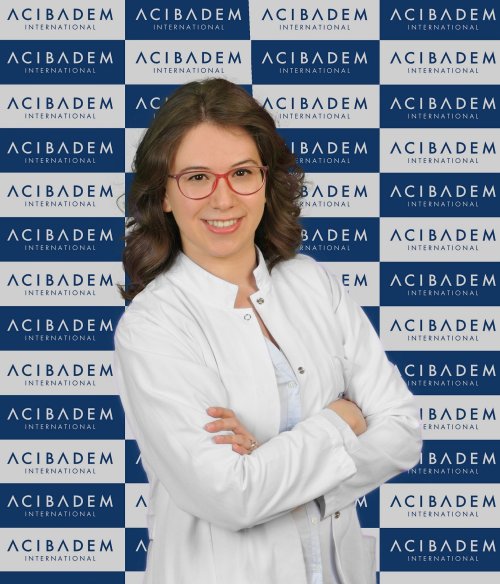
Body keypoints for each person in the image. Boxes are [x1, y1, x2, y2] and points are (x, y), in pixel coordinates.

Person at [114, 78, 422, 584]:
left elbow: (402, 430)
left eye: (242, 173)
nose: (223, 198)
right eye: (196, 177)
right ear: (163, 194)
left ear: (266, 180)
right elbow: (230, 495)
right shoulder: (152, 325)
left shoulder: (312, 282)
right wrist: (341, 420)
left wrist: (272, 467)